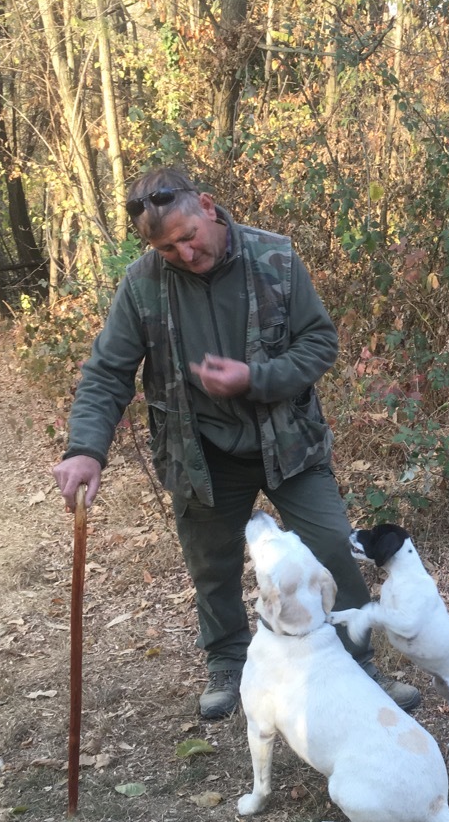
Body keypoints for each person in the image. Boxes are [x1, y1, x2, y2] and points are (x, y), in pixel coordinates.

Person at [52, 165, 419, 719]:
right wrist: (85, 448)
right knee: (212, 566)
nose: (183, 254)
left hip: (289, 444)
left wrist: (254, 378)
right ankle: (228, 665)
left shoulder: (275, 258)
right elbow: (108, 372)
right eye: (167, 248)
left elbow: (319, 342)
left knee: (333, 551)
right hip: (201, 456)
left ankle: (360, 666)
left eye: (188, 237)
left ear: (207, 205)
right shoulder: (142, 284)